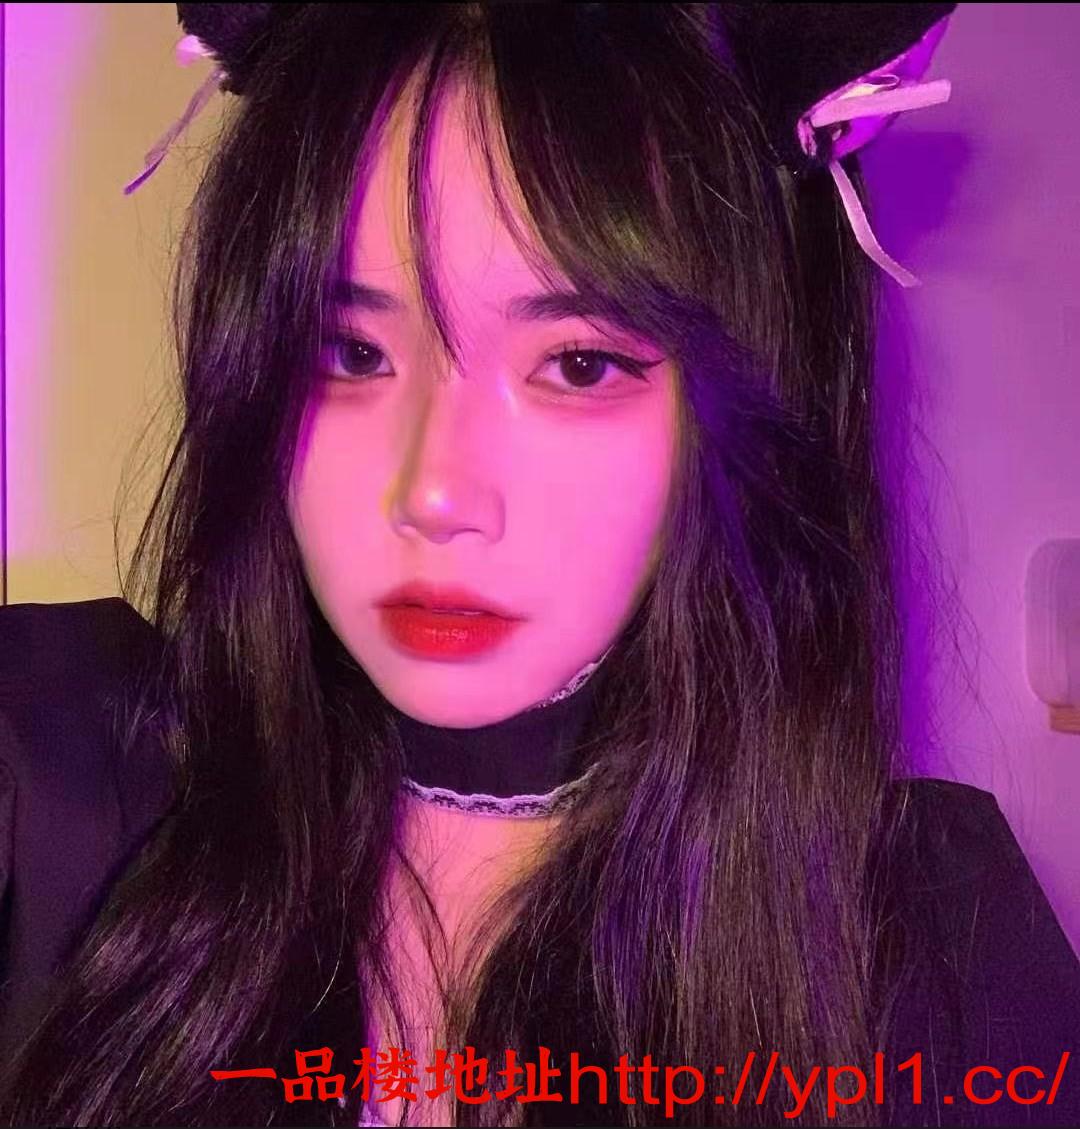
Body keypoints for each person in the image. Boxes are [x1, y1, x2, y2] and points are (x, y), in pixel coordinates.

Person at [0, 4, 1077, 1126]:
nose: (434, 492)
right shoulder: (65, 798)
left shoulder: (942, 959)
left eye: (577, 366)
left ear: (741, 417)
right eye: (351, 352)